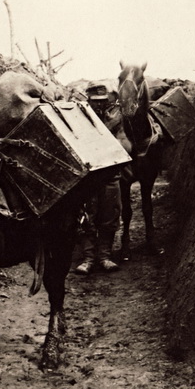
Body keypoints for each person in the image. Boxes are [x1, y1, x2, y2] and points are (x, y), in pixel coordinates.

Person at [75, 81, 123, 275]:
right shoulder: (79, 121)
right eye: (95, 101)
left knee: (110, 217)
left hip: (111, 175)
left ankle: (104, 257)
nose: (99, 105)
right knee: (86, 217)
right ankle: (88, 258)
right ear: (88, 101)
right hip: (88, 177)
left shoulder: (115, 120)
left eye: (102, 101)